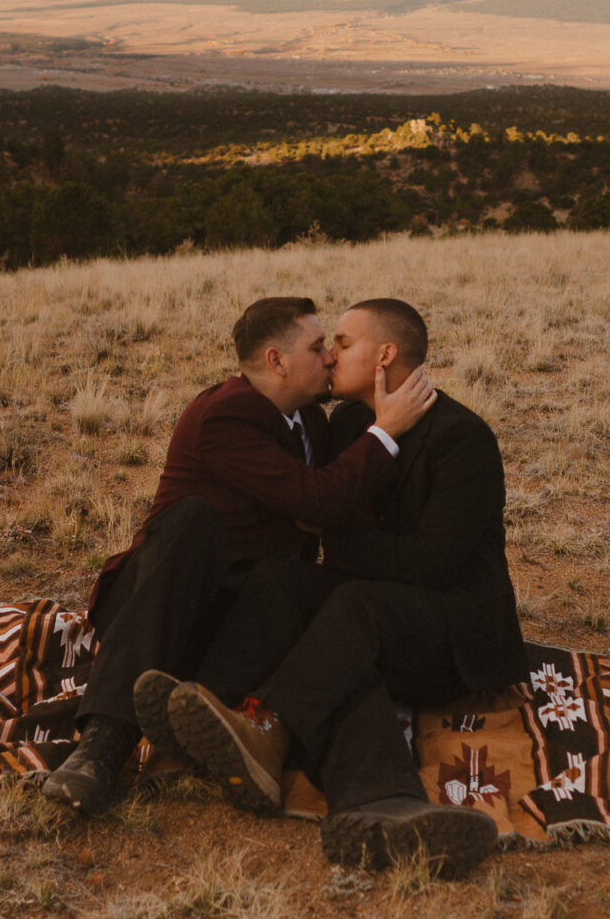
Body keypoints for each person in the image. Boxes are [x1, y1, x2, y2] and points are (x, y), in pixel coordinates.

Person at [158, 298, 522, 877]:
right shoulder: (352, 425)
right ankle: (377, 803)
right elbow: (330, 521)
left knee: (351, 610)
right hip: (378, 616)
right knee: (294, 591)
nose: (330, 356)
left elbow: (437, 565)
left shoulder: (463, 438)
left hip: (457, 635)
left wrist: (344, 545)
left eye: (344, 344)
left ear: (386, 355)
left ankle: (268, 728)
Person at [40, 295, 435, 813]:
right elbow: (317, 499)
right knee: (192, 521)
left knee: (331, 624)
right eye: (318, 347)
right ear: (276, 361)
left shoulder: (310, 422)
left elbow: (324, 508)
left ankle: (382, 799)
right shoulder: (224, 415)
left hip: (242, 621)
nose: (331, 358)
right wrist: (384, 432)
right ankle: (102, 746)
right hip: (162, 610)